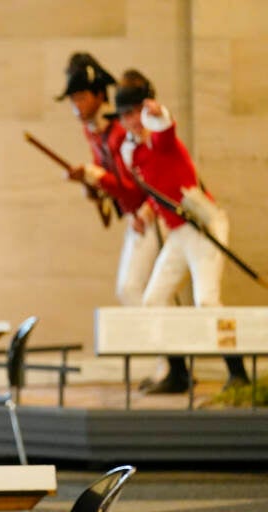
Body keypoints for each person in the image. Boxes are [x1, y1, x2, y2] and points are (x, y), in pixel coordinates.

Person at [114, 69, 249, 392]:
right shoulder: (132, 151)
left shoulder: (160, 136)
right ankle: (177, 373)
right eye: (124, 115)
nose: (131, 120)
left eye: (134, 112)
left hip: (203, 226)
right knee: (154, 300)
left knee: (207, 301)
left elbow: (164, 132)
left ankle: (238, 373)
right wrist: (145, 213)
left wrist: (157, 114)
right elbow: (155, 187)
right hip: (177, 233)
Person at [57, 53, 181, 393]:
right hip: (135, 218)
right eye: (73, 98)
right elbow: (115, 187)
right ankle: (168, 365)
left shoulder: (119, 136)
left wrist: (99, 178)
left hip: (150, 216)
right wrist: (94, 186)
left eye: (82, 96)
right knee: (145, 291)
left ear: (99, 95)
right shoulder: (96, 135)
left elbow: (137, 183)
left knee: (136, 288)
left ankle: (173, 364)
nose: (77, 105)